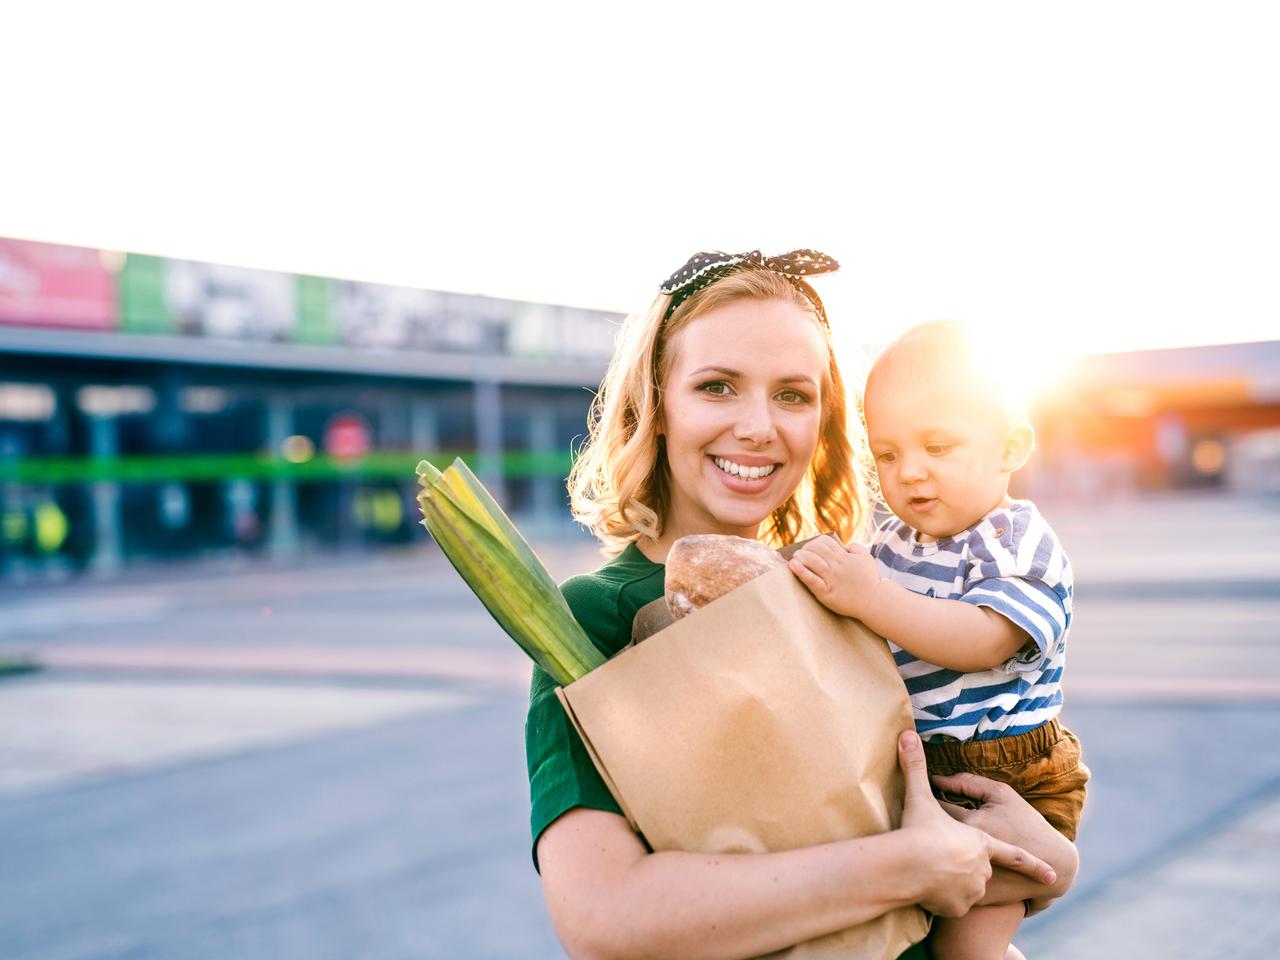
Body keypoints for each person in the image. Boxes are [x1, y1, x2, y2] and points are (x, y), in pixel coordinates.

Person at [525, 252, 1078, 959]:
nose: (758, 426)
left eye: (792, 394)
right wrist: (907, 869)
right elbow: (604, 917)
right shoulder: (597, 614)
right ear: (656, 405)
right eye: (717, 386)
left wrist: (1057, 866)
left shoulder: (839, 582)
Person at [789, 319, 1089, 959]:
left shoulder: (1018, 542)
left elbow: (984, 638)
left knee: (967, 949)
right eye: (889, 455)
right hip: (918, 761)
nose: (911, 473)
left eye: (938, 447)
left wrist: (871, 596)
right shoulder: (894, 541)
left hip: (1008, 771)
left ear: (1011, 448)